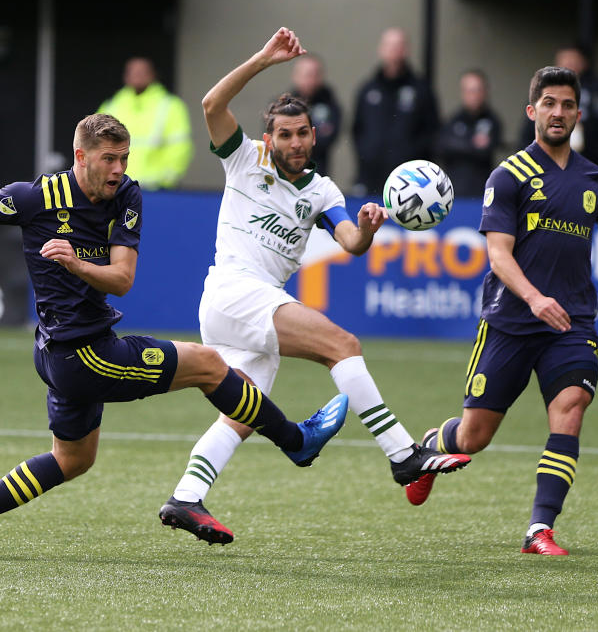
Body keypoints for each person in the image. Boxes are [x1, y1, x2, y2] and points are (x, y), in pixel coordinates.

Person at [0, 113, 349, 556]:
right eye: (109, 160)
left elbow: (122, 279)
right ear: (80, 157)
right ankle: (297, 441)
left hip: (63, 356)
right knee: (211, 365)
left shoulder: (127, 197)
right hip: (84, 355)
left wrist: (76, 263)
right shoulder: (34, 198)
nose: (120, 170)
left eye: (125, 159)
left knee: (73, 460)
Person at [157, 28, 470, 545]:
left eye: (303, 133)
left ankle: (185, 497)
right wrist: (263, 58)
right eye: (285, 134)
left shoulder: (322, 190)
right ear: (268, 139)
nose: (296, 142)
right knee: (341, 345)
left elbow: (349, 242)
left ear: (313, 134)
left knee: (244, 412)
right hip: (237, 292)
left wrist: (368, 226)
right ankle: (402, 454)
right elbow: (213, 101)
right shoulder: (244, 159)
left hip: (244, 308)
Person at [409, 66, 598, 556]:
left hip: (571, 324)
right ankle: (432, 444)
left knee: (571, 407)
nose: (558, 112)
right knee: (474, 436)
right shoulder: (508, 175)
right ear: (532, 111)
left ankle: (539, 529)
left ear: (578, 113)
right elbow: (498, 255)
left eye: (567, 105)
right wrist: (533, 298)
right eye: (549, 103)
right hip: (510, 322)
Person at [351, 27, 439, 195]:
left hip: (410, 182)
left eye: (398, 46)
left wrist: (411, 156)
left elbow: (432, 130)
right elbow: (357, 130)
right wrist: (367, 156)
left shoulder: (421, 90)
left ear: (406, 50)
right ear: (381, 49)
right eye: (389, 45)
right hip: (371, 179)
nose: (394, 51)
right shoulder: (368, 90)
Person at [98, 57, 193, 190]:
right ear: (126, 76)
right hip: (116, 188)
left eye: (142, 72)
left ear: (153, 75)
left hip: (157, 190)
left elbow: (180, 147)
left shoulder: (171, 106)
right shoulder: (111, 106)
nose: (137, 76)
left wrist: (167, 179)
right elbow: (96, 146)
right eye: (133, 72)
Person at [435, 68, 503, 200]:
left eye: (477, 90)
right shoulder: (453, 120)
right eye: (469, 90)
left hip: (481, 193)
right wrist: (472, 145)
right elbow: (441, 147)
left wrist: (458, 144)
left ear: (485, 92)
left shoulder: (492, 121)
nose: (474, 95)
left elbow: (485, 151)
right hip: (453, 192)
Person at [287, 53, 342, 177]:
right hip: (287, 175)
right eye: (307, 75)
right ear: (295, 76)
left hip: (319, 174)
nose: (310, 80)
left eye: (315, 75)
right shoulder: (283, 107)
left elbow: (326, 139)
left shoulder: (330, 104)